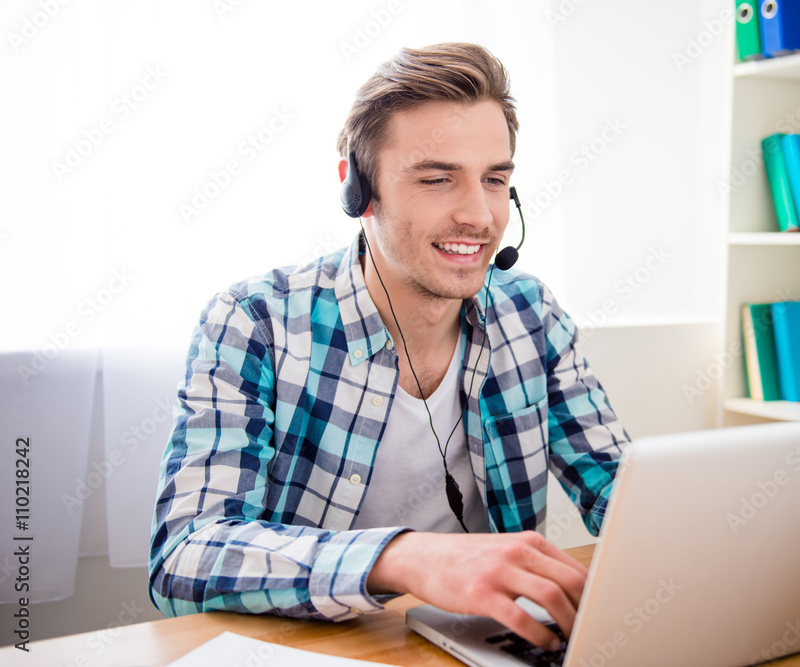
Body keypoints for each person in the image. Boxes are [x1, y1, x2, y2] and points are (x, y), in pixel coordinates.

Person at [148, 42, 628, 652]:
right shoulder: (255, 322)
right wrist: (403, 558)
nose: (479, 216)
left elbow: (621, 493)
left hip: (487, 649)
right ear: (358, 189)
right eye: (437, 179)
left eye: (495, 180)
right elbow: (183, 557)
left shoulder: (529, 313)